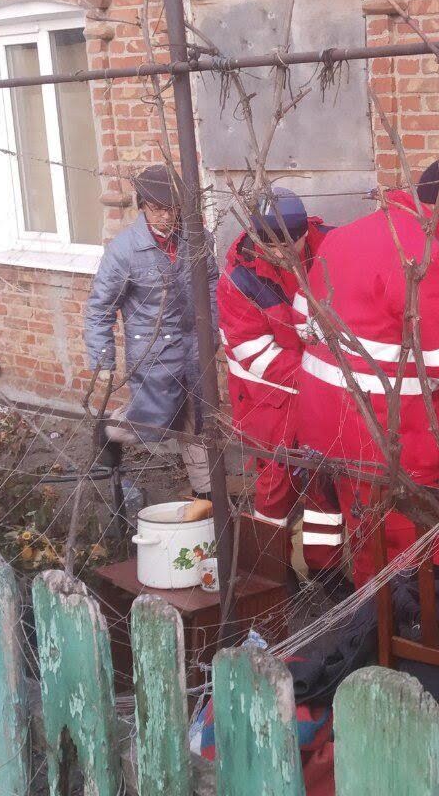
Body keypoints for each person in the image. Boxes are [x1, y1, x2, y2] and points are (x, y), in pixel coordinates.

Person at [295, 158, 439, 584]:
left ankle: (353, 604)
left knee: (358, 522)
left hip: (323, 417)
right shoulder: (424, 256)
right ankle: (393, 629)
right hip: (383, 429)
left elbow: (302, 318)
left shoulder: (344, 236)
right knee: (400, 543)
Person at [217, 186, 343, 572]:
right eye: (275, 248)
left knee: (326, 489)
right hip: (270, 401)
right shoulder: (239, 279)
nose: (286, 255)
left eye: (295, 243)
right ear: (257, 238)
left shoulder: (333, 246)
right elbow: (256, 355)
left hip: (322, 397)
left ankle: (324, 573)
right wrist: (324, 374)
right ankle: (267, 575)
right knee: (274, 491)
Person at [84, 164, 219, 496]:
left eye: (172, 209)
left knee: (196, 420)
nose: (166, 217)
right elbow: (100, 307)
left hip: (195, 346)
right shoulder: (125, 250)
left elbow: (211, 283)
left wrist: (214, 329)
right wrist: (103, 361)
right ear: (142, 206)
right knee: (153, 422)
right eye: (158, 209)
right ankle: (109, 430)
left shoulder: (196, 238)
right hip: (154, 353)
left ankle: (206, 494)